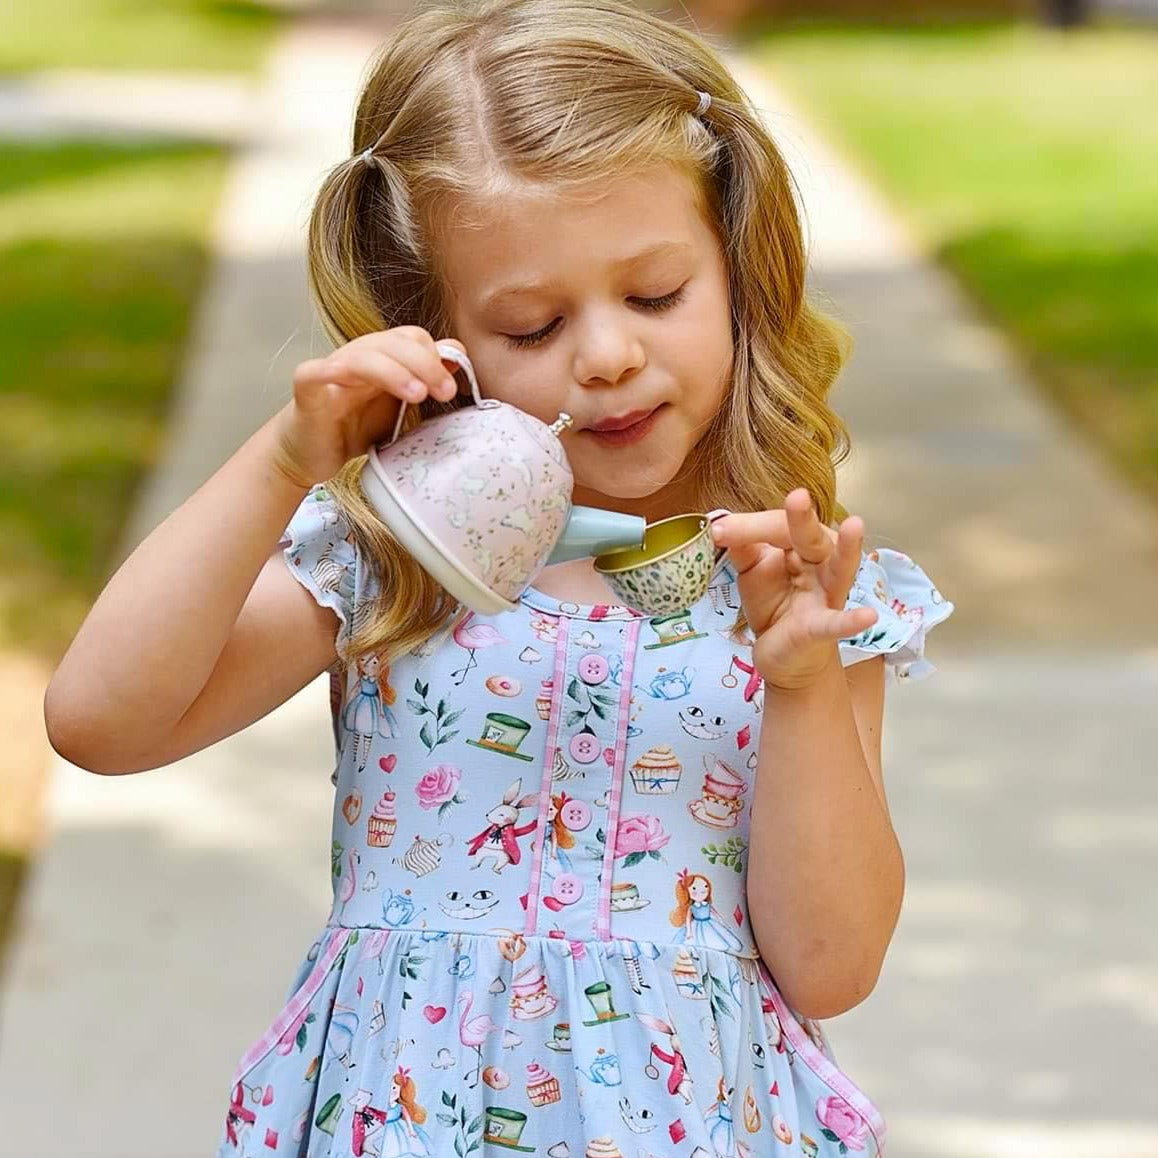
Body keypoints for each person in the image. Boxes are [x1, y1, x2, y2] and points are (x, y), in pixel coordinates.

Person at [43, 0, 955, 1153]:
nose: (609, 353)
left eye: (657, 295)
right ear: (436, 337)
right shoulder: (397, 561)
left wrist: (806, 683)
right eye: (531, 324)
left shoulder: (803, 592)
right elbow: (99, 723)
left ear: (736, 272)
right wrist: (284, 463)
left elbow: (829, 965)